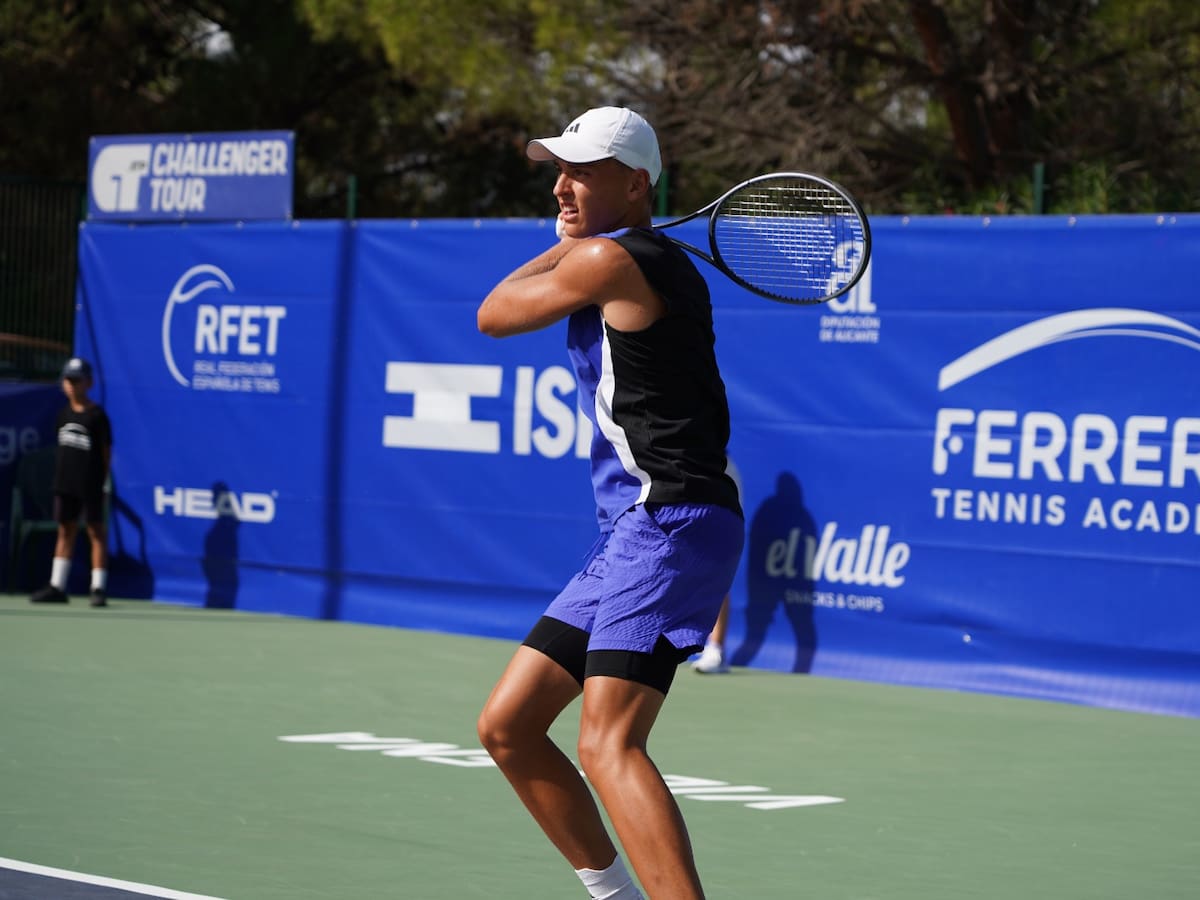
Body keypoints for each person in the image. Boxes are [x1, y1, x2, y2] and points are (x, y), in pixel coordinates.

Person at [475, 106, 744, 900]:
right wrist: (579, 231)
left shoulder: (607, 262)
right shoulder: (622, 254)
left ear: (635, 184)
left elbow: (493, 314)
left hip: (673, 523)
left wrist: (575, 241)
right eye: (559, 169)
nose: (562, 184)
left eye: (582, 172)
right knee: (510, 727)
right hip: (636, 529)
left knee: (608, 743)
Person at [29, 357, 113, 608]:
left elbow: (106, 454)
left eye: (77, 381)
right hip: (65, 484)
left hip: (90, 486)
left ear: (89, 383)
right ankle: (57, 586)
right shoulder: (63, 415)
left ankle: (98, 588)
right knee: (65, 531)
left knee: (95, 532)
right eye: (68, 380)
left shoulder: (97, 417)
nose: (72, 385)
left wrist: (100, 482)